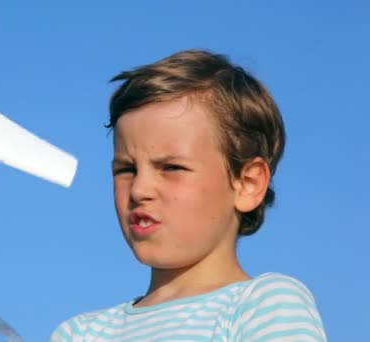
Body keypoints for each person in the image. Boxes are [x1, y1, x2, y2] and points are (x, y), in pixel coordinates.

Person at [50, 49, 326, 341]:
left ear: (248, 183)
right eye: (126, 169)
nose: (139, 189)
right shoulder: (81, 333)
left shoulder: (262, 306)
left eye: (172, 167)